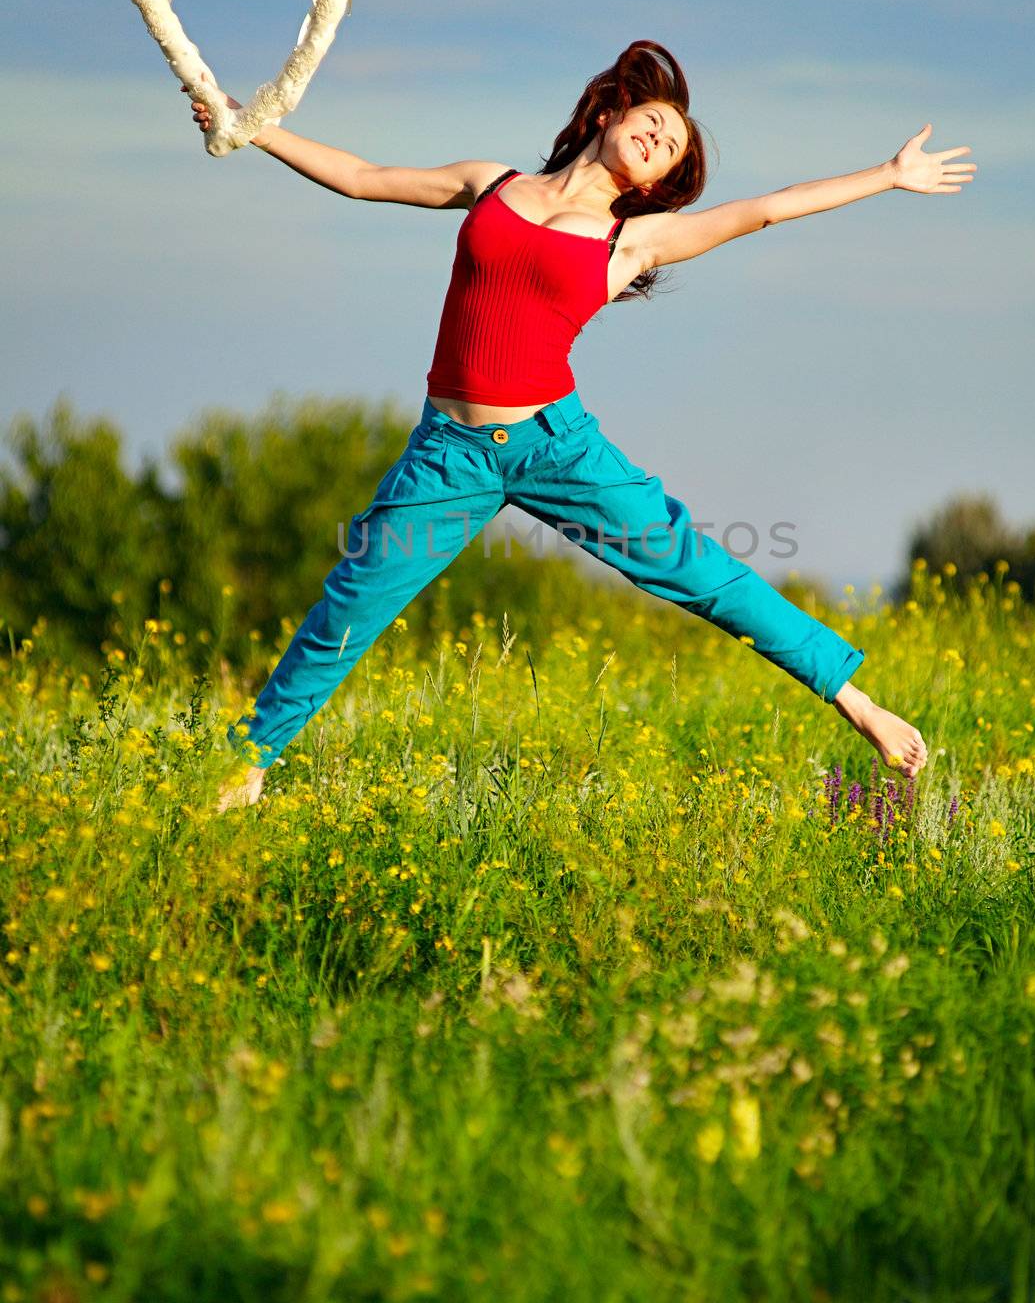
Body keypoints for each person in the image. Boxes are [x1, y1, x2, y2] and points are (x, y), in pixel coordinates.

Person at [183, 40, 974, 814]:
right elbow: (360, 178)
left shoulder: (633, 240)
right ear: (611, 111)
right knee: (348, 610)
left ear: (662, 181)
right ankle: (243, 765)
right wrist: (247, 124)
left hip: (554, 447)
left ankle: (856, 702)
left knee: (698, 572)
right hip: (447, 456)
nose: (661, 135)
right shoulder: (489, 183)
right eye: (656, 120)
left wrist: (887, 176)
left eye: (672, 148)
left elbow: (766, 209)